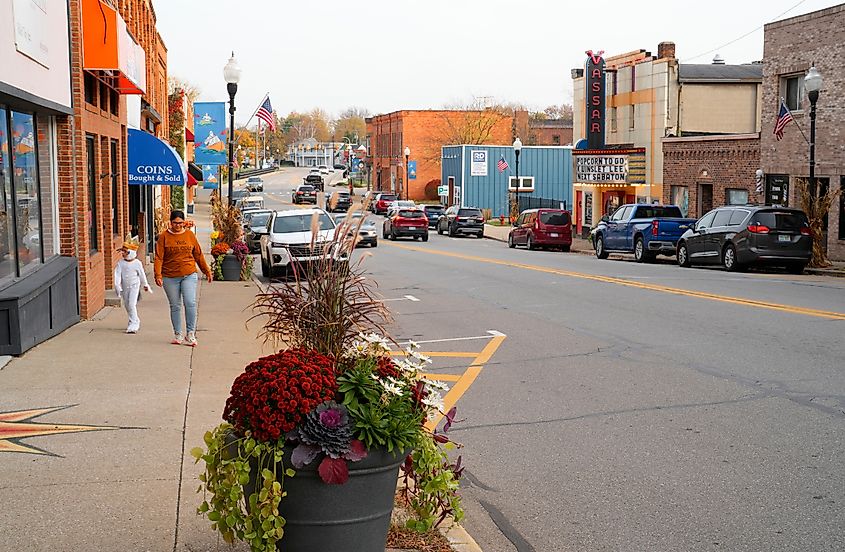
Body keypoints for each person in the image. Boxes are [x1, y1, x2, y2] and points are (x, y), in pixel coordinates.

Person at [154, 210, 212, 347]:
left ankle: (190, 333)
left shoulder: (190, 235)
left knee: (190, 302)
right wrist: (158, 275)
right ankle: (178, 334)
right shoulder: (164, 237)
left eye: (180, 223)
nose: (178, 225)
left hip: (189, 274)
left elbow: (198, 254)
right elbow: (159, 257)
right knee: (175, 305)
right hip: (170, 276)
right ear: (170, 222)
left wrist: (207, 271)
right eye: (175, 223)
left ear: (184, 222)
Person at [114, 235, 151, 334]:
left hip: (134, 285)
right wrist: (117, 285)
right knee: (127, 304)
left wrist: (145, 284)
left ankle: (134, 324)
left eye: (125, 252)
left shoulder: (137, 263)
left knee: (131, 304)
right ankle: (133, 320)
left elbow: (142, 274)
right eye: (123, 251)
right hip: (125, 287)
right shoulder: (120, 263)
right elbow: (117, 274)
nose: (123, 254)